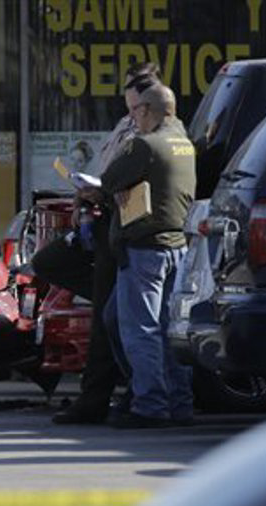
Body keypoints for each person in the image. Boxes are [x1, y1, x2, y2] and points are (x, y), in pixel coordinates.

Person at [32, 62, 161, 424]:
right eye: (128, 103)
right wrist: (83, 194)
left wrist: (98, 192)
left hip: (119, 225)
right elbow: (107, 170)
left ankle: (95, 398)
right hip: (100, 218)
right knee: (48, 262)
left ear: (148, 103)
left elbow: (129, 181)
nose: (131, 111)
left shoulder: (151, 136)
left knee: (107, 320)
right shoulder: (126, 126)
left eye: (136, 105)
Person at [100, 80, 195, 428]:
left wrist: (117, 187)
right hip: (176, 248)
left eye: (136, 110)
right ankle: (180, 403)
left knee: (141, 331)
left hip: (144, 249)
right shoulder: (183, 143)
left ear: (148, 110)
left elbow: (109, 180)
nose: (133, 117)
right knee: (168, 331)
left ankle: (150, 405)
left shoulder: (145, 145)